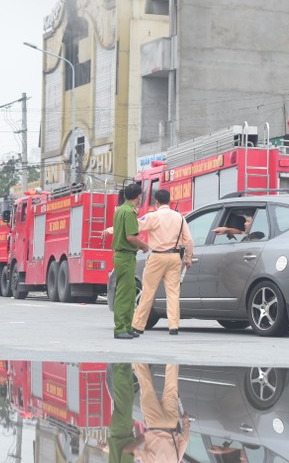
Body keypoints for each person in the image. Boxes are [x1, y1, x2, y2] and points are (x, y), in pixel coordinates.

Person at [132, 189, 193, 336]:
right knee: (173, 293)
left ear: (156, 202)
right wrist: (189, 258)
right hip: (174, 257)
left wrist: (110, 230)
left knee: (148, 292)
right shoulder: (180, 217)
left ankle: (138, 325)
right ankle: (173, 326)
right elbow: (188, 240)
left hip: (157, 257)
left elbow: (133, 226)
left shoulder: (153, 216)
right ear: (170, 201)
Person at [124, 363, 190, 462]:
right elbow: (127, 451)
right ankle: (138, 358)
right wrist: (141, 440)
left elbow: (184, 440)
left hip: (171, 423)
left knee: (172, 385)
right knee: (146, 386)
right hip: (154, 422)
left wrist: (185, 422)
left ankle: (172, 354)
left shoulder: (176, 460)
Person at [112, 183, 150, 339]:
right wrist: (144, 246)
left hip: (123, 256)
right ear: (139, 196)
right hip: (126, 255)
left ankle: (127, 327)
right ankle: (121, 328)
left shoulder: (120, 210)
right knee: (124, 293)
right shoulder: (129, 212)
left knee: (129, 291)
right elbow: (131, 237)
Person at [107, 363, 137, 463]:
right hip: (121, 430)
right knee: (128, 394)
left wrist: (143, 439)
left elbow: (126, 451)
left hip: (122, 429)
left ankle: (119, 364)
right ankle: (126, 364)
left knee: (123, 392)